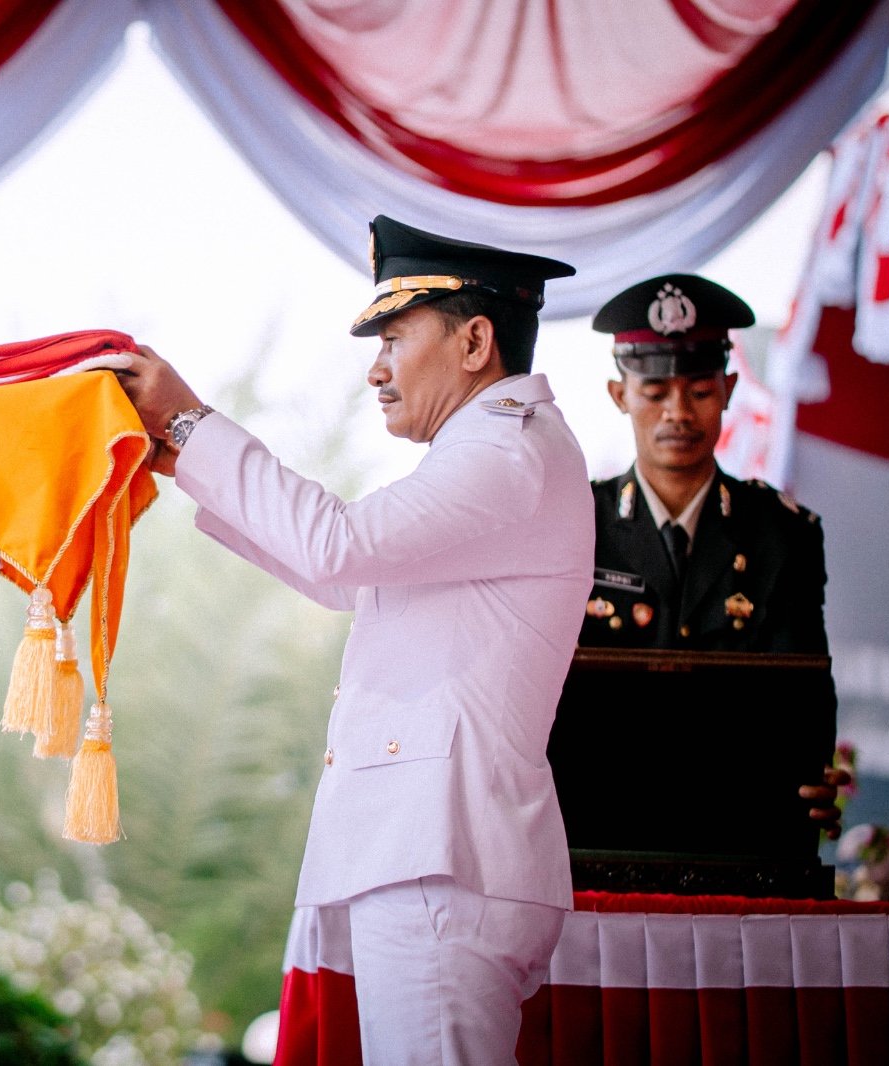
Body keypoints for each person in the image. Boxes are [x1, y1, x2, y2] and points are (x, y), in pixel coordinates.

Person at [118, 217, 592, 1064]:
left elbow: (339, 545)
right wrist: (183, 460)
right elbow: (348, 577)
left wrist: (189, 424)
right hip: (436, 855)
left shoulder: (504, 452)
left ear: (475, 342)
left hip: (443, 860)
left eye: (395, 339)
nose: (376, 369)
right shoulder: (495, 449)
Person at [584, 273, 847, 833]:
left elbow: (802, 697)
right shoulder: (578, 526)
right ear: (620, 395)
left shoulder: (783, 535)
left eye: (700, 391)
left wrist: (811, 777)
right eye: (655, 393)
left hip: (744, 825)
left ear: (728, 390)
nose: (678, 412)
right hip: (602, 823)